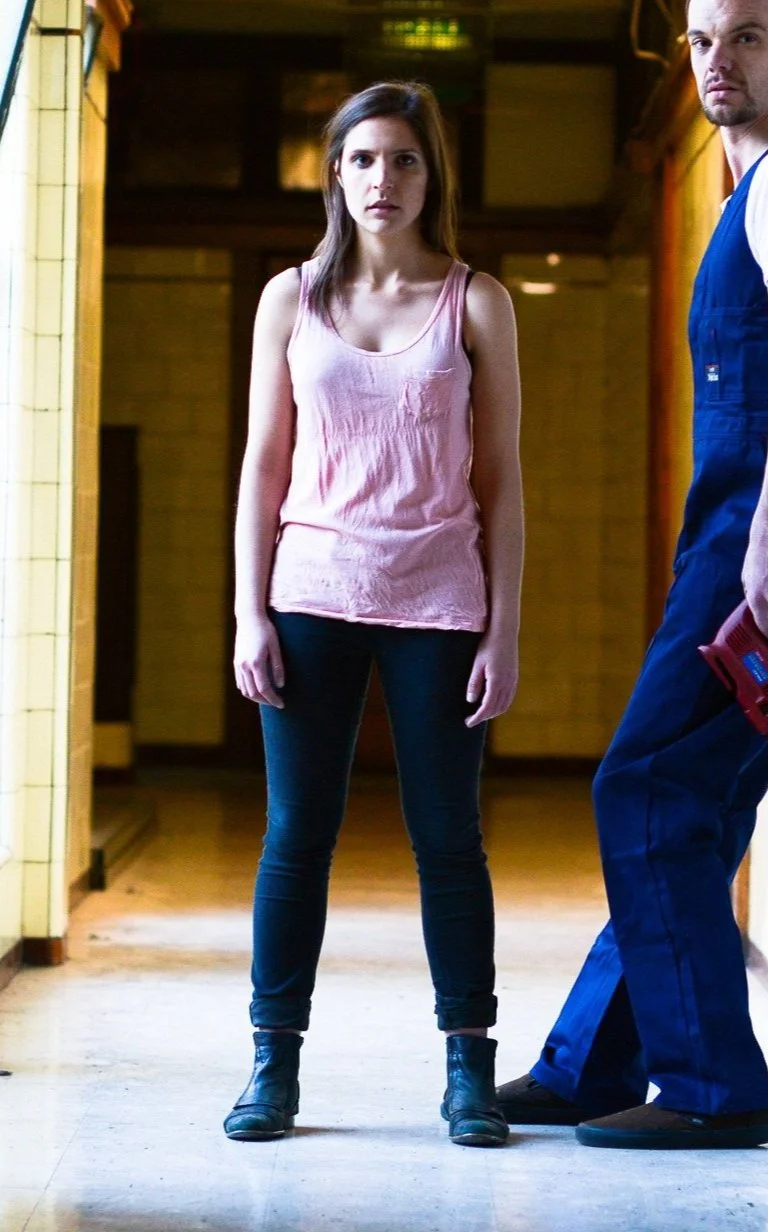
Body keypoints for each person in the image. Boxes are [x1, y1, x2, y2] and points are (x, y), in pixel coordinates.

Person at [495, 0, 768, 1147]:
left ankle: (717, 1091)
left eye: (748, 38)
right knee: (693, 800)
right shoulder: (756, 186)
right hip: (748, 529)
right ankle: (592, 1062)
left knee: (648, 784)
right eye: (704, 42)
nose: (721, 62)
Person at [223, 80, 525, 1147]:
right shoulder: (290, 299)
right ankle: (273, 1065)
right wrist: (249, 612)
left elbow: (502, 480)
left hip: (439, 595)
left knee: (448, 837)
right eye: (361, 159)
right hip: (311, 590)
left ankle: (468, 1068)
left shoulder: (476, 302)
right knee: (296, 835)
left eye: (403, 159)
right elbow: (263, 465)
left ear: (431, 175)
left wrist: (504, 628)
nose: (381, 179)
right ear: (334, 174)